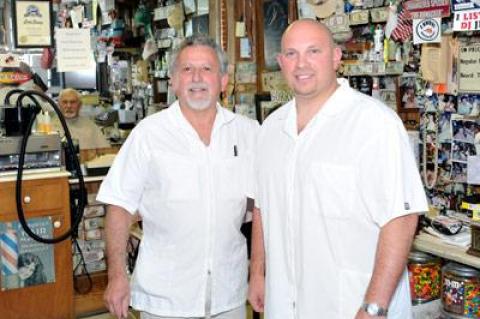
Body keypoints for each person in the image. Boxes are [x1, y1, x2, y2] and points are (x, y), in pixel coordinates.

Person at [248, 19, 428, 319]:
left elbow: (401, 218)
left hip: (351, 306)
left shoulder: (374, 124)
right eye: (291, 54)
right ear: (281, 62)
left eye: (313, 51)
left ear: (335, 57)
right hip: (286, 304)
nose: (301, 63)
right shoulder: (270, 130)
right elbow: (262, 206)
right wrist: (258, 272)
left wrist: (373, 307)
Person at [97, 35, 259, 319]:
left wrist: (259, 272)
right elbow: (118, 206)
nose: (197, 78)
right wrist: (117, 276)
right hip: (166, 298)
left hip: (229, 296)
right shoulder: (149, 135)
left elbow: (262, 207)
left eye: (207, 69)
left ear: (223, 80)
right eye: (187, 70)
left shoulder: (248, 133)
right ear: (173, 80)